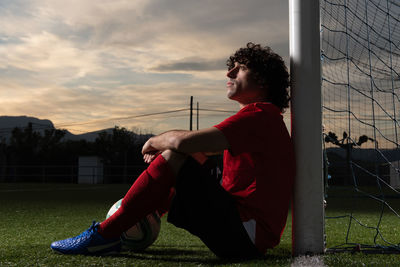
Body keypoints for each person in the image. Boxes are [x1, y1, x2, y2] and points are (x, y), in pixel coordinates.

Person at [50, 42, 295, 259]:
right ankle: (146, 213)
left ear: (262, 80)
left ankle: (104, 235)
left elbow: (183, 144)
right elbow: (197, 148)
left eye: (240, 68)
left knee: (174, 154)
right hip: (245, 233)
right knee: (184, 157)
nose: (229, 72)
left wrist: (155, 141)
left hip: (246, 233)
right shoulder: (264, 119)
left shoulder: (259, 116)